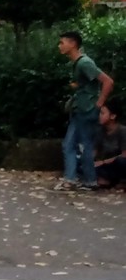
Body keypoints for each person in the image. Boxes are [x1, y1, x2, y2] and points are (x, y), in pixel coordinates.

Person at [57, 31, 114, 191]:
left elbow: (107, 82)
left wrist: (98, 104)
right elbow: (90, 84)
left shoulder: (84, 63)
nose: (60, 46)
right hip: (80, 109)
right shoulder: (78, 63)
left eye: (62, 42)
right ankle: (80, 180)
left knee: (80, 145)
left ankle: (81, 180)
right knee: (74, 145)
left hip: (86, 110)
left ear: (73, 43)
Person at [96, 103, 126, 188]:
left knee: (121, 161)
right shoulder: (100, 131)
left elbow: (124, 155)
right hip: (108, 166)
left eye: (102, 113)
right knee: (82, 164)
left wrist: (104, 161)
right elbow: (94, 152)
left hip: (118, 163)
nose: (99, 116)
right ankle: (107, 180)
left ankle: (122, 180)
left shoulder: (122, 131)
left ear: (112, 116)